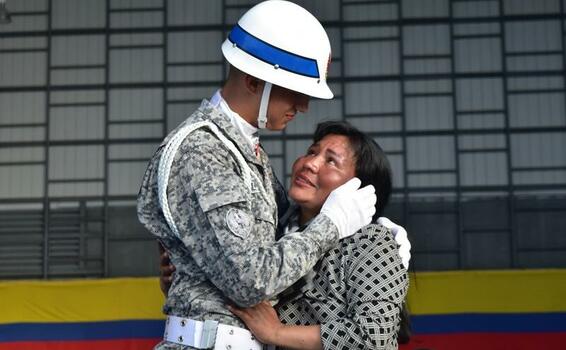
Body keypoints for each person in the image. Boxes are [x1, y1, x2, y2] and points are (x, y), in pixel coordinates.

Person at [138, 1, 378, 349]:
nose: (304, 106)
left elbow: (283, 237)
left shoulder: (243, 150)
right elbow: (249, 280)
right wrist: (333, 225)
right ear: (253, 82)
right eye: (295, 92)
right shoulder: (203, 151)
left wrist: (367, 233)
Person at [229, 121, 409, 349]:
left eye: (331, 161)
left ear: (359, 190)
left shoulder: (370, 241)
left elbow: (374, 338)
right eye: (311, 152)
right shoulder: (269, 229)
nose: (310, 164)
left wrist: (277, 332)